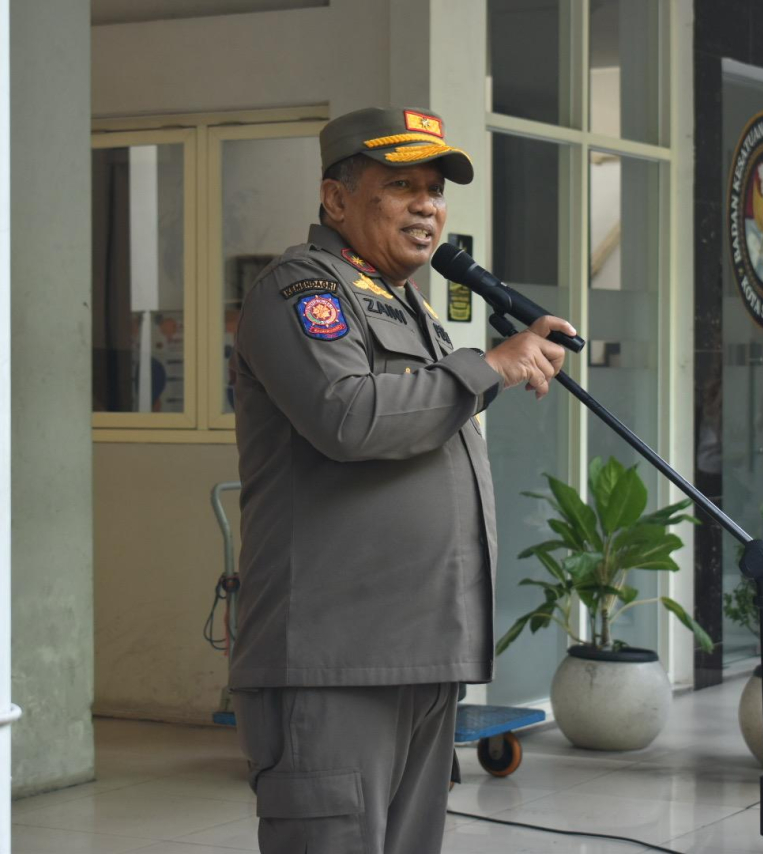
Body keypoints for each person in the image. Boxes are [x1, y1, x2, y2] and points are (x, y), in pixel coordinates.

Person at [227, 106, 573, 854]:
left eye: (435, 190)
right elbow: (347, 417)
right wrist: (489, 365)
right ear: (336, 198)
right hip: (335, 660)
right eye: (401, 184)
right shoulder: (299, 292)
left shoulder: (410, 309)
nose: (427, 205)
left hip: (420, 653)